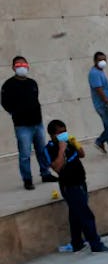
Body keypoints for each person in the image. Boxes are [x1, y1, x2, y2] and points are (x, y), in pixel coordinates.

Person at [45, 119, 108, 253]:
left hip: (81, 182)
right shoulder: (49, 149)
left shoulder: (68, 142)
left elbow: (81, 155)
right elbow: (57, 168)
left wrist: (75, 144)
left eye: (65, 131)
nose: (64, 134)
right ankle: (96, 245)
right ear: (52, 135)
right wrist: (61, 150)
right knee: (87, 215)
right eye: (60, 133)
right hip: (69, 186)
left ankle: (77, 243)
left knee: (75, 215)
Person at [1, 56, 58, 190]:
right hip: (22, 126)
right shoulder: (8, 85)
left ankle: (45, 174)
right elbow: (4, 102)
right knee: (25, 154)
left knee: (41, 151)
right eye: (18, 64)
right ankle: (27, 179)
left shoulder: (32, 83)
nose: (21, 66)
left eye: (23, 64)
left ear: (27, 66)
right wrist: (15, 112)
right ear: (13, 67)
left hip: (37, 123)